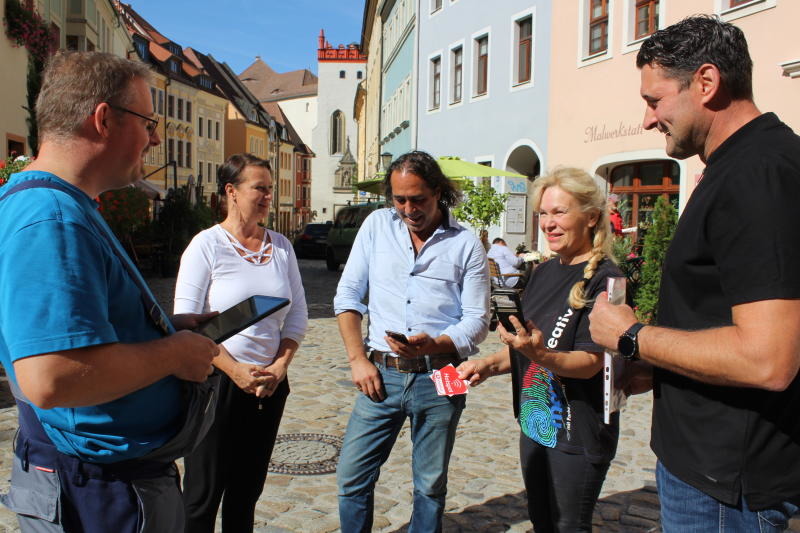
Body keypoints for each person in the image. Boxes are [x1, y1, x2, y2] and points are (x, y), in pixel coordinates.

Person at [588, 15, 800, 532]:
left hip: (727, 487)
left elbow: (769, 359)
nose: (646, 120)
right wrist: (664, 367)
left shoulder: (757, 174)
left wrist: (632, 337)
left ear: (706, 83)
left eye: (654, 100)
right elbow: (721, 313)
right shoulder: (740, 165)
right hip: (711, 469)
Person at [0, 51, 219, 532]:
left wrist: (161, 331)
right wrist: (172, 355)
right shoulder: (50, 217)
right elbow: (51, 376)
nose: (156, 138)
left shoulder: (56, 205)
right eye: (147, 122)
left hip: (100, 484)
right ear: (103, 119)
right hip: (97, 494)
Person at [458, 167, 623, 532]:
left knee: (567, 526)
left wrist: (539, 355)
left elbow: (591, 363)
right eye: (544, 213)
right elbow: (526, 348)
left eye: (560, 212)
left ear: (591, 216)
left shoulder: (607, 279)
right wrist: (487, 364)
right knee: (542, 521)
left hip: (577, 429)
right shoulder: (545, 272)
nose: (548, 223)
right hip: (536, 421)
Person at [334, 150, 490, 533]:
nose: (408, 208)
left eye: (417, 198)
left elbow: (478, 321)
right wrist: (357, 359)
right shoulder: (375, 227)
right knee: (351, 478)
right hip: (380, 373)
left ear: (438, 191)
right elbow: (348, 295)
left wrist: (435, 343)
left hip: (444, 374)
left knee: (431, 483)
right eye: (399, 199)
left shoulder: (466, 243)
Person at [175, 154, 308, 533]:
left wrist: (280, 366)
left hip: (268, 386)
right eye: (259, 188)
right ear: (231, 191)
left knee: (246, 493)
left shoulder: (281, 246)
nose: (268, 196)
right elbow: (186, 323)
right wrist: (235, 370)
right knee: (202, 495)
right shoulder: (206, 246)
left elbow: (297, 314)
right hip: (216, 384)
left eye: (270, 188)